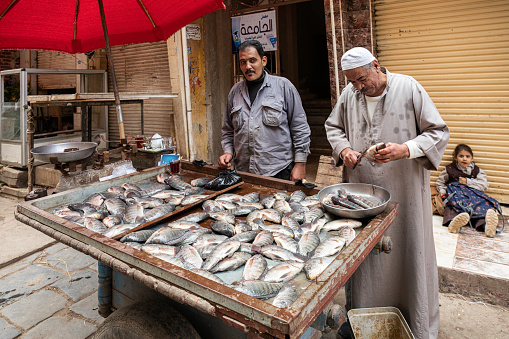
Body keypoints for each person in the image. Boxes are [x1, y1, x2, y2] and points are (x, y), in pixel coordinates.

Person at [325, 47, 450, 339]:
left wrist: (405, 149)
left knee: (408, 251)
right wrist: (343, 149)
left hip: (403, 192)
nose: (358, 86)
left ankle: (412, 322)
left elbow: (437, 133)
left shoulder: (409, 88)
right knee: (365, 259)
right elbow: (333, 128)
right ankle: (364, 322)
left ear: (376, 66)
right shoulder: (349, 95)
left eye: (361, 79)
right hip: (360, 196)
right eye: (351, 81)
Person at [219, 40, 311, 181]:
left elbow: (300, 128)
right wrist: (228, 152)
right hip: (244, 172)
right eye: (243, 62)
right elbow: (228, 130)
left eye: (252, 60)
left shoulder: (283, 87)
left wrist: (300, 164)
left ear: (264, 61)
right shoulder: (235, 92)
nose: (247, 66)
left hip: (278, 171)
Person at [436, 144, 500, 237]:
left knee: (480, 211)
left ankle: (487, 226)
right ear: (455, 157)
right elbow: (441, 182)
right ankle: (454, 224)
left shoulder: (477, 170)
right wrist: (443, 191)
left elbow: (484, 185)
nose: (464, 159)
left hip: (473, 198)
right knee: (451, 209)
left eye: (467, 156)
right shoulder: (449, 169)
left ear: (472, 158)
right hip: (456, 198)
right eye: (461, 156)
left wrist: (467, 182)